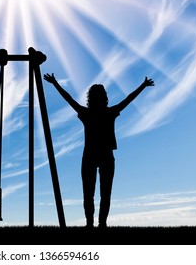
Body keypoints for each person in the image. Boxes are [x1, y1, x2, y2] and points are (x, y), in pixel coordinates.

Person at [43, 73, 154, 228]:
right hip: (101, 155)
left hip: (94, 155)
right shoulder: (107, 112)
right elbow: (128, 100)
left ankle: (94, 224)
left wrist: (55, 83)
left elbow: (69, 99)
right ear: (104, 97)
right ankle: (99, 224)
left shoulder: (90, 113)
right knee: (101, 194)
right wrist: (143, 86)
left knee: (92, 194)